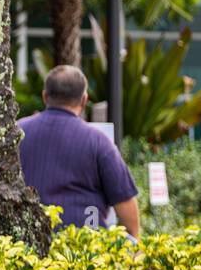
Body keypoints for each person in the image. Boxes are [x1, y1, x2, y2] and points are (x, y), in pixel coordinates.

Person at [18, 64, 141, 237]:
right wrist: (134, 242)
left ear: (45, 97)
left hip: (26, 243)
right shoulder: (98, 141)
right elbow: (126, 203)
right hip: (85, 249)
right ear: (84, 100)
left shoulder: (17, 132)